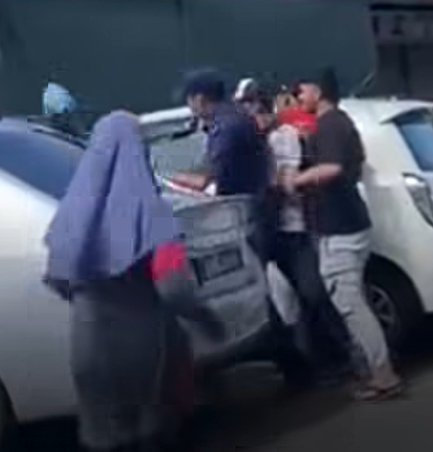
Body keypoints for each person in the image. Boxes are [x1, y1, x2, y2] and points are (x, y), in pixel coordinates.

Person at [44, 111, 222, 452]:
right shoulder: (150, 212)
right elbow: (174, 288)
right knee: (152, 434)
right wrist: (208, 322)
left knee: (105, 438)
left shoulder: (71, 214)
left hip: (88, 351)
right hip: (145, 354)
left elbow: (59, 279)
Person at [282, 68, 404, 400]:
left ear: (318, 91)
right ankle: (374, 368)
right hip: (346, 223)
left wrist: (296, 180)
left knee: (349, 302)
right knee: (353, 298)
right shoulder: (338, 123)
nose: (297, 95)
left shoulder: (330, 125)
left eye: (301, 88)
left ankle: (383, 373)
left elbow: (333, 168)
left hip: (340, 227)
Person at [251, 93, 350, 384]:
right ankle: (302, 366)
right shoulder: (246, 144)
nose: (257, 119)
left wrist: (276, 184)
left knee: (313, 292)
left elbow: (287, 182)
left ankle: (341, 355)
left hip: (293, 230)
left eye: (260, 111)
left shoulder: (285, 136)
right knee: (275, 305)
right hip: (264, 231)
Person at [170, 69, 269, 198]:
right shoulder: (236, 115)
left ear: (200, 100)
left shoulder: (225, 128)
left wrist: (175, 179)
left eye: (189, 100)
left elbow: (213, 179)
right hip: (254, 194)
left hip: (243, 203)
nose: (189, 106)